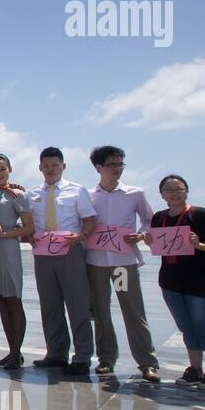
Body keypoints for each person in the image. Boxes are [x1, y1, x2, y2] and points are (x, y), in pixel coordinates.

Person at [144, 174, 205, 389]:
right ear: (161, 194)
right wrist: (149, 240)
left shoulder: (200, 215)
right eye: (168, 190)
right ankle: (195, 369)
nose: (174, 193)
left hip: (199, 280)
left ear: (186, 191)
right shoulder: (159, 218)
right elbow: (157, 247)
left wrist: (198, 244)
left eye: (178, 189)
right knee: (186, 327)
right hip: (171, 281)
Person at [86, 145, 161, 382]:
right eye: (112, 164)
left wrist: (140, 234)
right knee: (101, 313)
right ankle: (106, 359)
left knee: (133, 311)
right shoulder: (88, 196)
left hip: (122, 262)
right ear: (99, 168)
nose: (117, 169)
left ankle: (147, 362)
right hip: (96, 261)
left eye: (120, 164)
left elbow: (150, 220)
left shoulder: (134, 193)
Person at [28, 147, 97, 376]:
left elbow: (89, 220)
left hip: (70, 251)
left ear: (63, 166)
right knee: (50, 305)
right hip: (43, 254)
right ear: (40, 167)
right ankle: (56, 352)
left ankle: (83, 356)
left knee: (77, 304)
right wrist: (28, 236)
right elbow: (30, 225)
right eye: (46, 165)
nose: (50, 169)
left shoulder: (76, 191)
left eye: (54, 165)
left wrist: (81, 237)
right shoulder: (33, 193)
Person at [0, 153, 33, 370]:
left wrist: (6, 233)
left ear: (9, 170)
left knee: (13, 300)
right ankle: (11, 350)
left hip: (8, 249)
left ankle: (16, 352)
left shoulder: (17, 194)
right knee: (1, 300)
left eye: (2, 169)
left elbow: (29, 228)